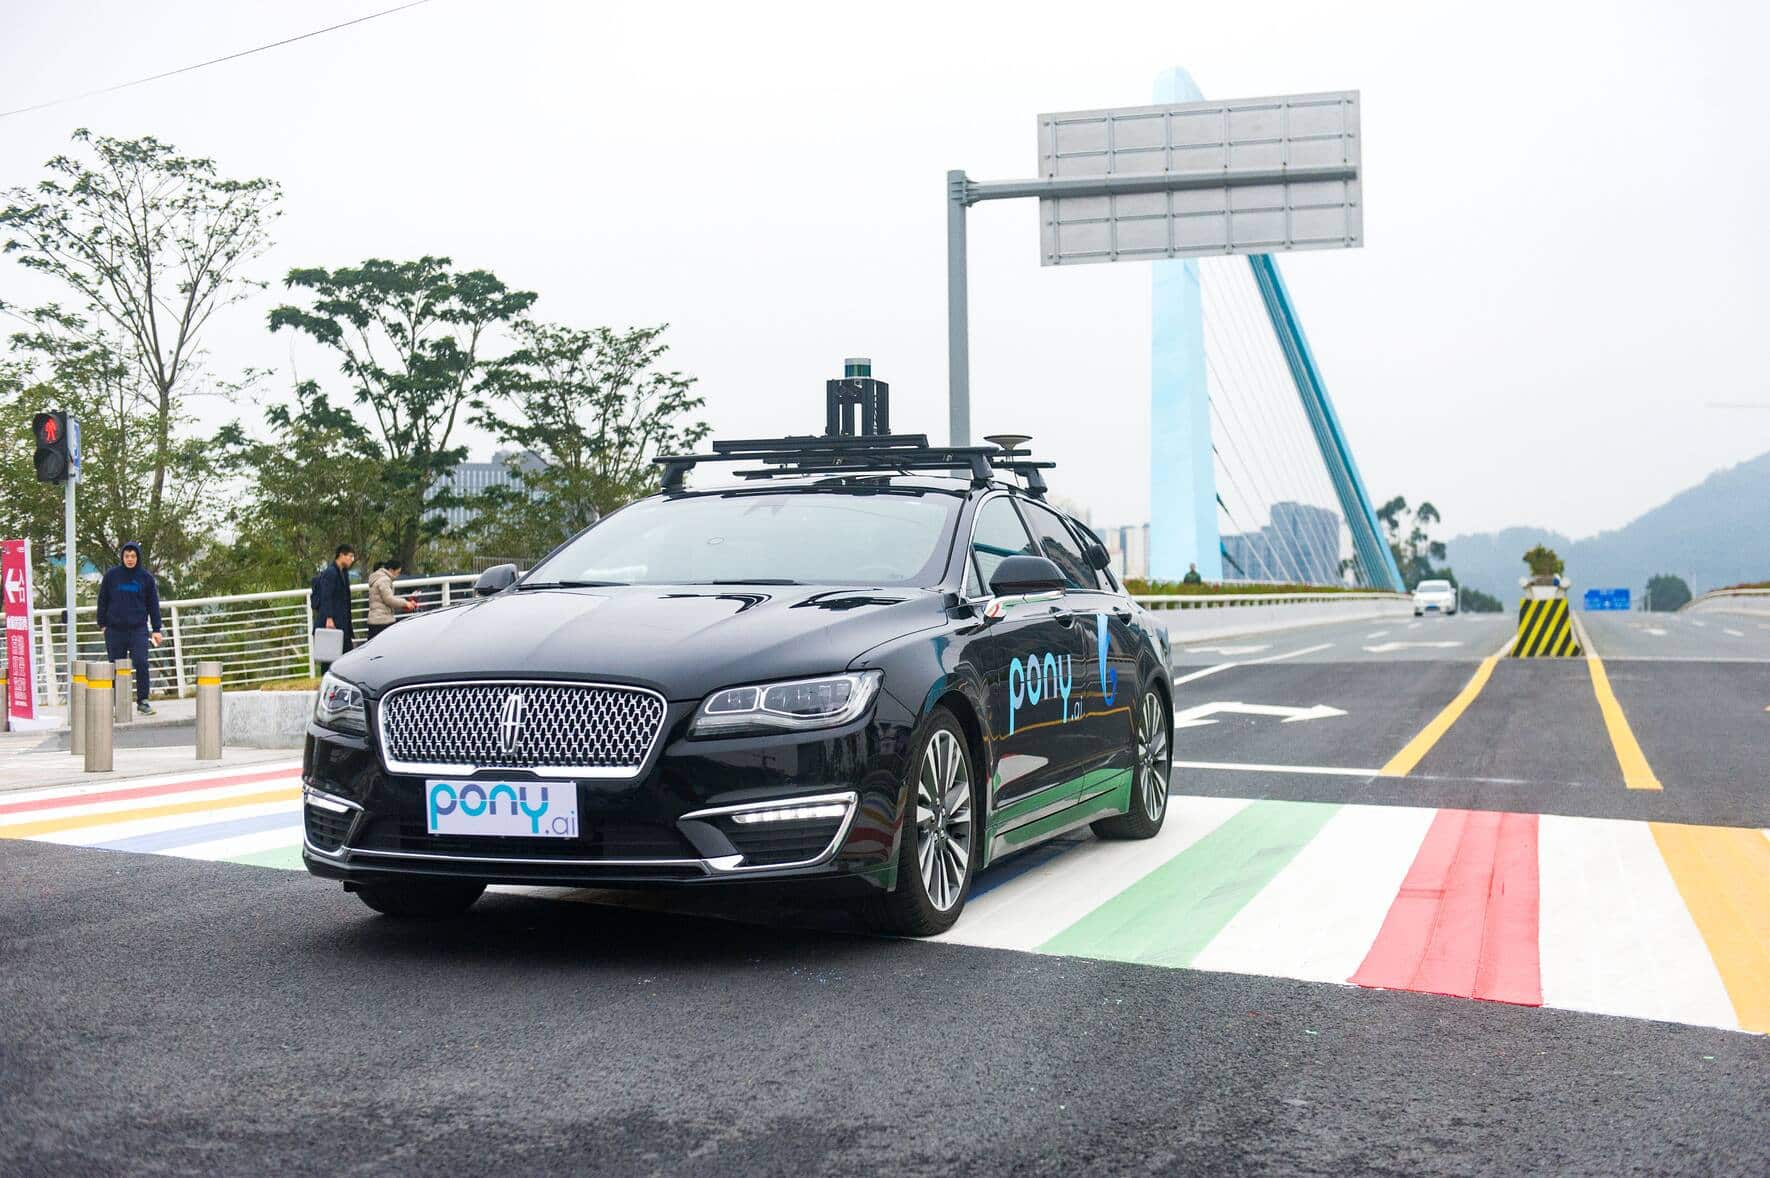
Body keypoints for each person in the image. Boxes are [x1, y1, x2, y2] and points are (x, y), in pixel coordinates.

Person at [96, 541, 163, 715]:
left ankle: (143, 701)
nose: (130, 559)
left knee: (141, 662)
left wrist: (156, 629)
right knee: (115, 667)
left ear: (138, 557)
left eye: (133, 556)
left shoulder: (146, 578)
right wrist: (102, 624)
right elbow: (102, 600)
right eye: (127, 556)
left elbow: (153, 605)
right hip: (114, 630)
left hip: (138, 629)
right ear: (122, 557)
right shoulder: (112, 576)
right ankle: (115, 703)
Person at [310, 544, 357, 661]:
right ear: (341, 555)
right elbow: (326, 596)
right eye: (350, 556)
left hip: (343, 620)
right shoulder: (330, 573)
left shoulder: (344, 572)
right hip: (331, 621)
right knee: (329, 656)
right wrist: (329, 618)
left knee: (346, 655)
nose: (352, 560)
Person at [365, 558, 418, 640]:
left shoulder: (378, 578)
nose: (398, 575)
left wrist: (405, 602)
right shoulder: (384, 580)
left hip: (375, 620)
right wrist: (406, 603)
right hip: (383, 621)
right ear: (391, 570)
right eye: (398, 572)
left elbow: (387, 597)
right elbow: (389, 600)